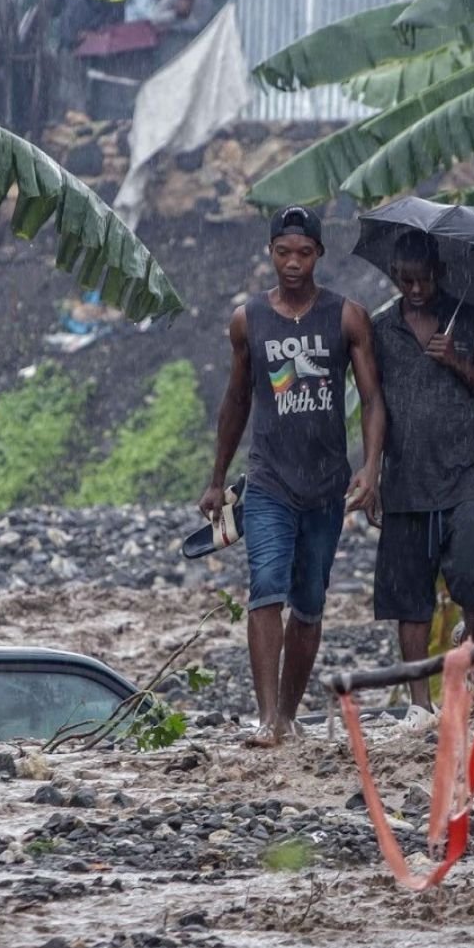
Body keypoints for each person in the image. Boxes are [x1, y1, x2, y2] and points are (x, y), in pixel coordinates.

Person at [199, 205, 386, 748]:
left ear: (319, 254)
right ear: (271, 253)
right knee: (267, 589)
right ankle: (267, 720)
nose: (293, 263)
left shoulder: (346, 317)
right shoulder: (248, 319)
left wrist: (370, 467)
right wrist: (216, 478)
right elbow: (236, 400)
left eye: (304, 252)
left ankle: (288, 711)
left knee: (308, 605)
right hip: (268, 482)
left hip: (326, 486)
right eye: (284, 252)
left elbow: (373, 399)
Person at [371, 230, 474, 709]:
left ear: (440, 275)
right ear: (394, 277)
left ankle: (470, 639)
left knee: (473, 575)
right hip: (405, 479)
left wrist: (456, 361)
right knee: (409, 598)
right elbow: (372, 403)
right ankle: (418, 704)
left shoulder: (468, 320)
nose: (414, 290)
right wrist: (370, 473)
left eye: (423, 281)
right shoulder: (381, 329)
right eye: (405, 281)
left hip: (462, 474)